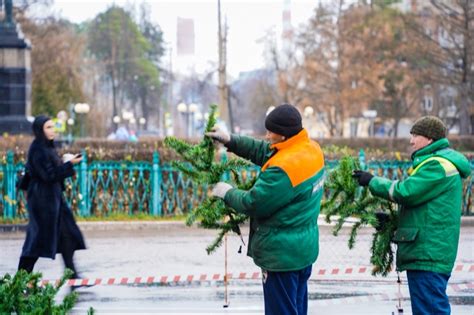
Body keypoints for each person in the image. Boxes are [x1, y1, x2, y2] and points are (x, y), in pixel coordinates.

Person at [206, 104, 325, 315]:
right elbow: (265, 151)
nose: (267, 135)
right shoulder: (310, 149)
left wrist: (227, 192)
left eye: (271, 132)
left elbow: (254, 203)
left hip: (281, 258)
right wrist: (231, 141)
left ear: (284, 135)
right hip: (302, 252)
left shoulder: (283, 169)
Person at [352, 116, 471, 315]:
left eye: (415, 135)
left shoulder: (437, 165)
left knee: (430, 310)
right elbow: (426, 212)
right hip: (427, 251)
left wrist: (372, 181)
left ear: (430, 139)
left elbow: (406, 192)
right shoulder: (438, 162)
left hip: (428, 255)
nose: (411, 140)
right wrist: (393, 223)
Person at [17, 115, 86, 279]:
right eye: (48, 127)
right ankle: (20, 281)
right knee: (35, 243)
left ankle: (73, 277)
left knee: (67, 236)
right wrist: (70, 165)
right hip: (42, 203)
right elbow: (48, 175)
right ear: (40, 130)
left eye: (53, 127)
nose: (52, 130)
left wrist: (64, 161)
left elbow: (51, 170)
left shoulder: (47, 147)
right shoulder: (37, 149)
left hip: (54, 201)